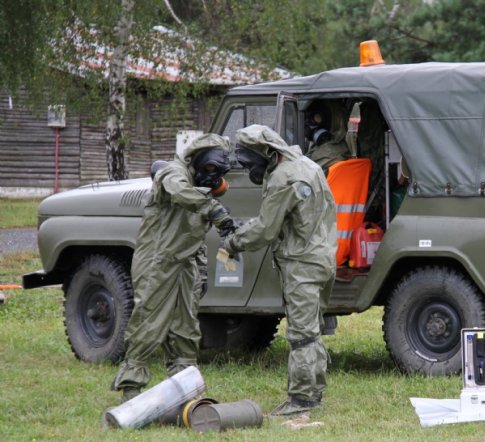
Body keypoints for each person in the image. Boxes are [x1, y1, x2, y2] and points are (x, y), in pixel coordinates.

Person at [221, 124, 337, 416]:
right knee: (312, 330)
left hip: (302, 265)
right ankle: (314, 392)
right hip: (322, 259)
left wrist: (233, 242)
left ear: (268, 152)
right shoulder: (309, 165)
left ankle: (301, 401)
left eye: (251, 161)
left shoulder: (284, 178)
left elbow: (265, 229)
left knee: (301, 335)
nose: (250, 169)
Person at [111, 134, 236, 403]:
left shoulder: (200, 189)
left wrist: (201, 271)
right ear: (198, 159)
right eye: (211, 168)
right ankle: (131, 389)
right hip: (158, 260)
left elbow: (196, 234)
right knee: (149, 323)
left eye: (220, 172)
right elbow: (181, 194)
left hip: (186, 262)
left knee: (186, 329)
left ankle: (183, 389)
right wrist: (214, 209)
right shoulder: (174, 174)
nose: (213, 177)